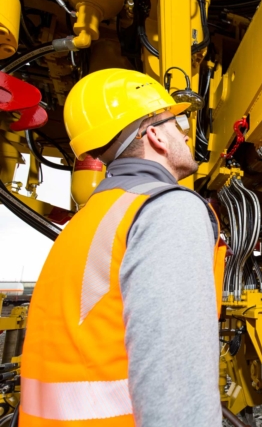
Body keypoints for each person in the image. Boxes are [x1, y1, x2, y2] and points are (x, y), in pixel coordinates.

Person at [20, 69, 226, 427]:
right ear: (155, 136)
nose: (186, 132)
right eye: (177, 123)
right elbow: (176, 390)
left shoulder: (85, 222)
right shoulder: (167, 208)